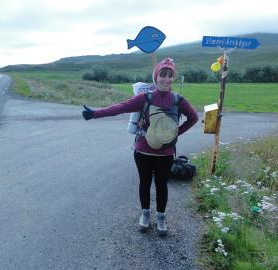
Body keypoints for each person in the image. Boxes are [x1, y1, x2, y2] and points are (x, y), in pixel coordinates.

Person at [81, 58, 198, 236]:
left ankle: (161, 217)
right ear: (155, 77)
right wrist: (94, 114)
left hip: (165, 153)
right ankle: (145, 214)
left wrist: (175, 134)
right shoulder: (146, 97)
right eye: (162, 75)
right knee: (144, 183)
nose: (166, 80)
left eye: (170, 76)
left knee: (161, 185)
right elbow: (120, 108)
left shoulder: (178, 100)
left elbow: (193, 118)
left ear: (173, 78)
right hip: (143, 150)